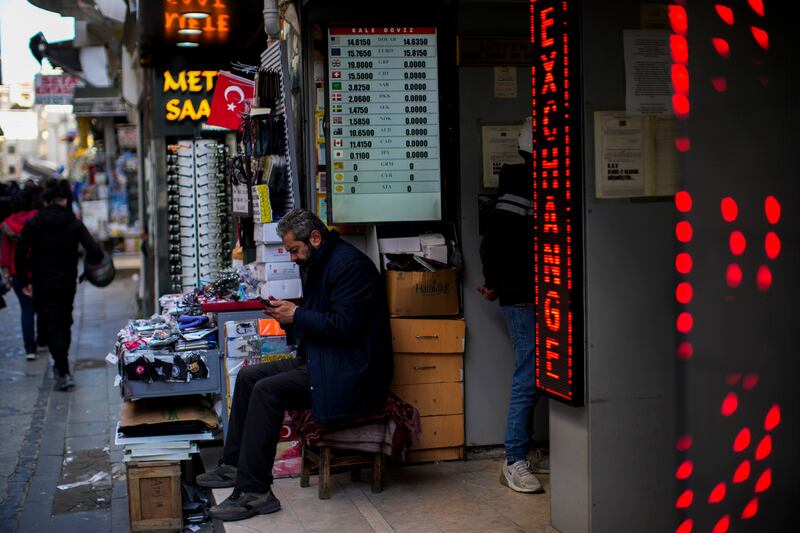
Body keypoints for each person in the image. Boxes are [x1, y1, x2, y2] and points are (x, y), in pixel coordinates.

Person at [198, 208, 393, 522]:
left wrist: (297, 315)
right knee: (249, 376)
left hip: (353, 372)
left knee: (267, 391)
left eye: (293, 250)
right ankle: (235, 465)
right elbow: (321, 320)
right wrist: (289, 316)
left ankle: (256, 491)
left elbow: (344, 326)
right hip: (325, 360)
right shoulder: (321, 262)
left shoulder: (350, 266)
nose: (291, 258)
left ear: (314, 238)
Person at [478, 117, 544, 494]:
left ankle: (526, 450)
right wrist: (496, 283)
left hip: (536, 294)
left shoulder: (533, 184)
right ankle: (514, 458)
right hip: (523, 297)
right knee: (529, 373)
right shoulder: (521, 185)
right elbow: (495, 243)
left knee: (537, 372)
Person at [15, 179, 104, 391]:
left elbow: (20, 253)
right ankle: (62, 368)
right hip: (67, 282)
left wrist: (25, 280)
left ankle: (62, 369)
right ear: (65, 200)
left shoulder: (34, 223)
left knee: (52, 322)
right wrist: (88, 272)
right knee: (64, 322)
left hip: (42, 282)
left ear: (46, 202)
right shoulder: (73, 222)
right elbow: (95, 251)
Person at [1, 186, 43, 359]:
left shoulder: (7, 224)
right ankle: (42, 339)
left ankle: (30, 349)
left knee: (26, 310)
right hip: (39, 270)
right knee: (42, 307)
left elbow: (4, 253)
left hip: (18, 272)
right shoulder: (38, 219)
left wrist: (6, 274)